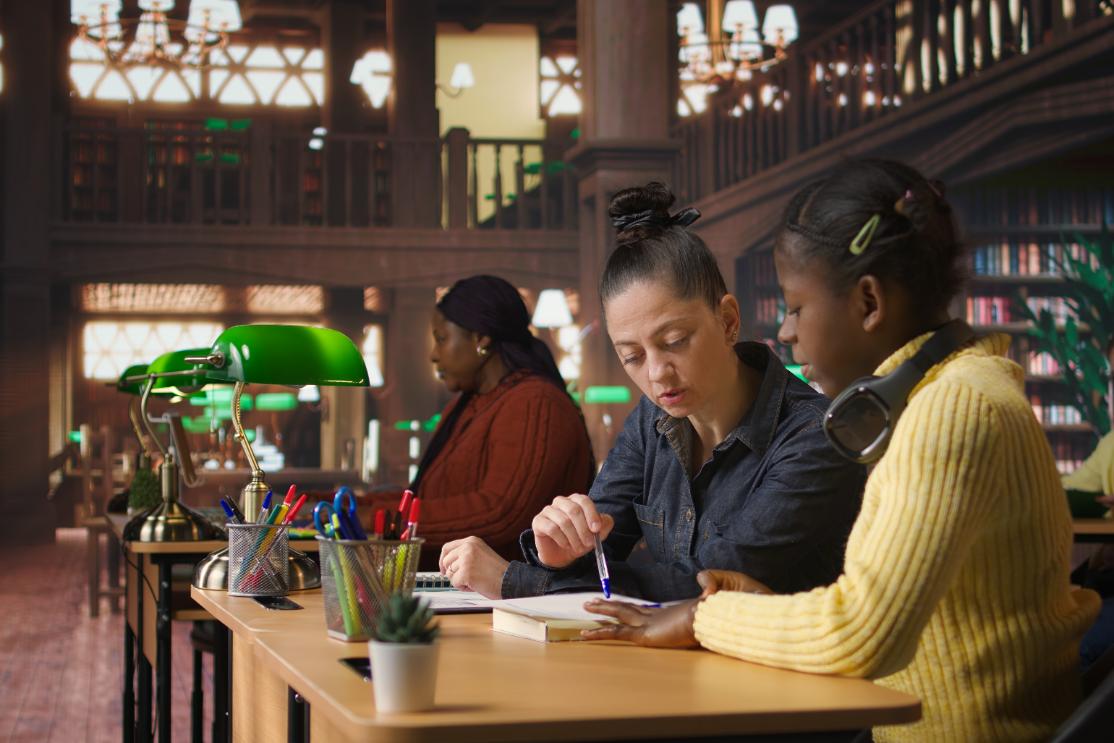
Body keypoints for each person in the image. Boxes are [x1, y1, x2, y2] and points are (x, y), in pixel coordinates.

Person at [581, 160, 1101, 743]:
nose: (785, 332)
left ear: (869, 302)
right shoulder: (945, 395)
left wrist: (703, 616)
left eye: (797, 306)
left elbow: (861, 631)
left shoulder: (953, 410)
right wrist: (759, 606)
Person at [439, 183, 866, 601]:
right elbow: (601, 554)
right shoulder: (652, 422)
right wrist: (561, 554)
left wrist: (517, 581)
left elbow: (709, 585)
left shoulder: (813, 437)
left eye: (676, 340)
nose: (657, 373)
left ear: (729, 320)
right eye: (632, 356)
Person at [362, 275, 593, 569]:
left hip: (502, 603)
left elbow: (499, 512)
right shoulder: (469, 404)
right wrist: (350, 507)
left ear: (481, 338)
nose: (434, 355)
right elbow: (426, 500)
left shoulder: (536, 402)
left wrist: (375, 518)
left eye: (442, 338)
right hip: (453, 591)